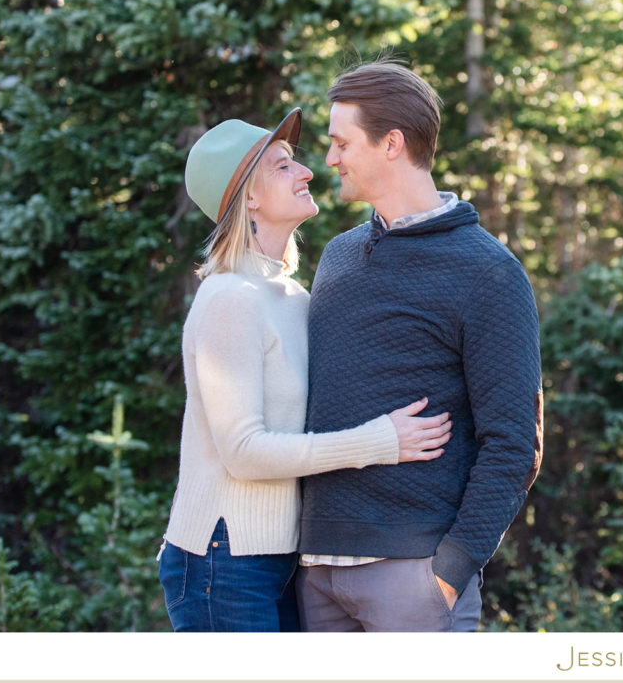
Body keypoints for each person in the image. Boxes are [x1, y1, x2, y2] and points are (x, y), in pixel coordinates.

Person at [157, 108, 452, 632]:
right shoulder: (229, 298)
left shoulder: (292, 295)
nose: (307, 172)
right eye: (282, 166)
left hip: (281, 556)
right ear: (247, 197)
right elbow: (244, 452)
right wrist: (378, 442)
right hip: (220, 560)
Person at [296, 60, 544, 632]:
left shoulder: (488, 272)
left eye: (340, 142)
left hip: (413, 579)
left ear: (391, 143)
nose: (328, 159)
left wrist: (450, 570)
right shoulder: (337, 256)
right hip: (316, 574)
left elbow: (514, 443)